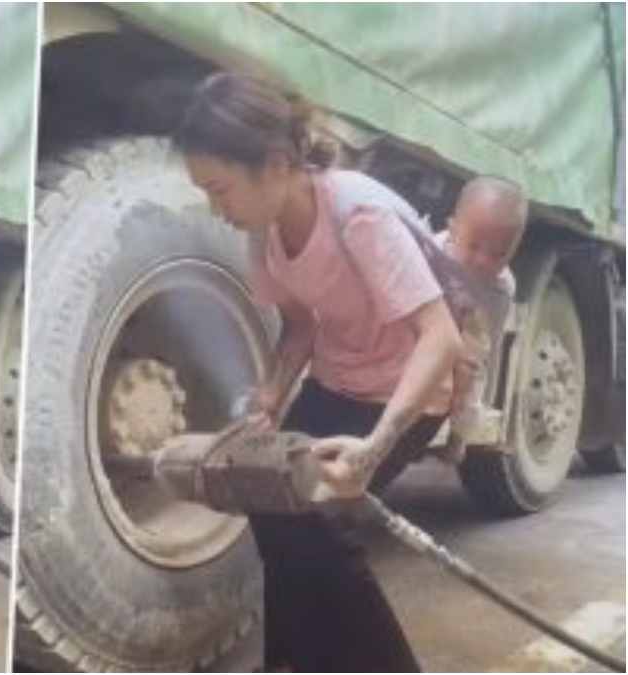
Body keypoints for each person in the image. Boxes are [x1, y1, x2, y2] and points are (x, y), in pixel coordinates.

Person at [173, 67, 464, 672]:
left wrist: (377, 444)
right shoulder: (265, 227)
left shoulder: (357, 215)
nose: (214, 206)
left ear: (277, 164)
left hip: (406, 394)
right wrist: (272, 393)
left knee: (324, 534)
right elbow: (303, 325)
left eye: (220, 189)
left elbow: (441, 338)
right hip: (339, 381)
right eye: (205, 191)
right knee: (272, 507)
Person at [435, 176, 524, 464]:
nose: (484, 261)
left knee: (472, 375)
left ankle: (458, 435)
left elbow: (492, 341)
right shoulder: (430, 253)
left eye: (498, 254)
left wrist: (473, 366)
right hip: (426, 326)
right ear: (451, 230)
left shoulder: (501, 286)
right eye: (473, 246)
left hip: (467, 332)